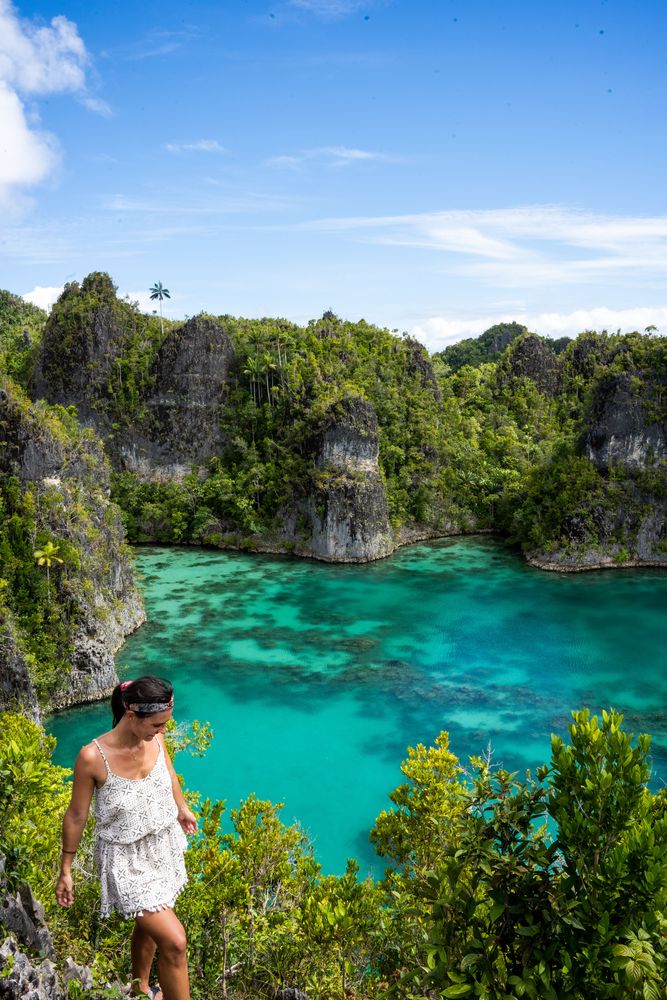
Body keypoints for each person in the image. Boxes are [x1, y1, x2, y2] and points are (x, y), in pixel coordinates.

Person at [55, 676, 198, 1000]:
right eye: (157, 724)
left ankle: (140, 988)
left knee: (149, 924)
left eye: (165, 723)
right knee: (175, 942)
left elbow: (169, 772)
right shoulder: (92, 757)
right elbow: (76, 815)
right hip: (125, 861)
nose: (163, 730)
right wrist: (66, 870)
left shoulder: (156, 739)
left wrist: (182, 808)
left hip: (161, 847)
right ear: (131, 715)